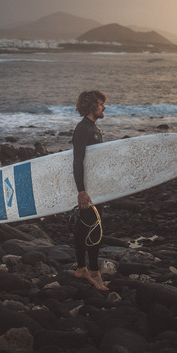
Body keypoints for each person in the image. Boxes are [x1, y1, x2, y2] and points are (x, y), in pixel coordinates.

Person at [72, 89, 109, 290]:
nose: (104, 107)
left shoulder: (92, 127)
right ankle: (94, 272)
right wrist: (81, 190)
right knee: (95, 228)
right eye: (101, 103)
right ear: (92, 105)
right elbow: (78, 161)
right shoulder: (83, 129)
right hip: (88, 189)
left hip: (94, 187)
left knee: (83, 227)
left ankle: (81, 269)